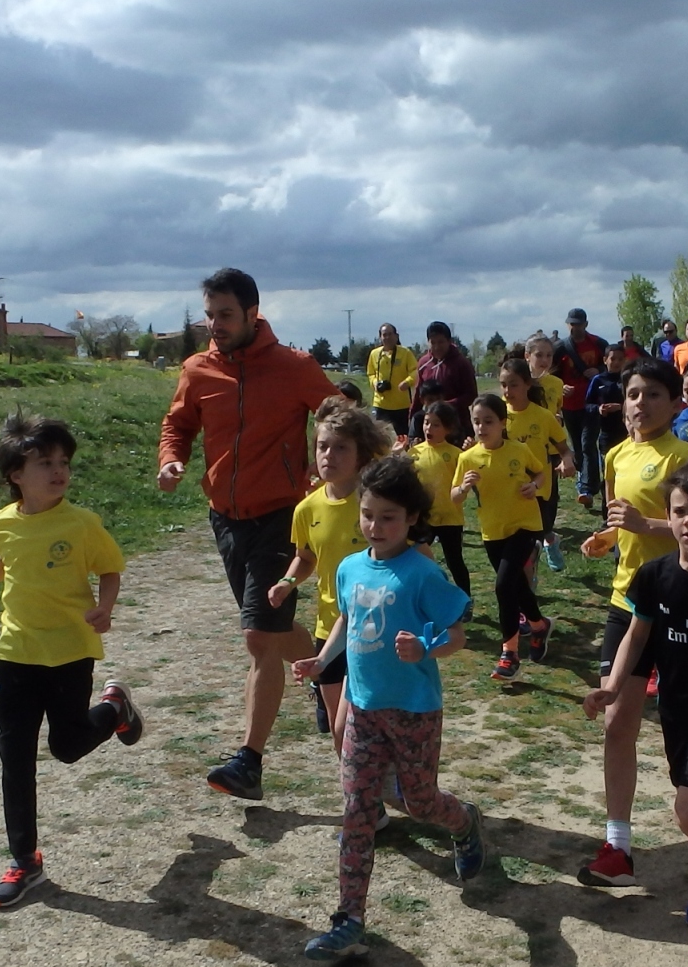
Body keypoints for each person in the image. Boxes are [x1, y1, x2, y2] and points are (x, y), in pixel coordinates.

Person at [0, 413, 144, 910]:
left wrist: (105, 607)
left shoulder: (81, 523)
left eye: (63, 462)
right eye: (45, 463)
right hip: (16, 653)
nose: (58, 472)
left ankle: (115, 709)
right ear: (15, 475)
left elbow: (110, 568)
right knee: (15, 756)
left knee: (67, 747)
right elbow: (7, 559)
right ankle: (24, 860)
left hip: (69, 652)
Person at [158, 267, 337, 802]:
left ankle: (249, 762)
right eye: (209, 315)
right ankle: (330, 678)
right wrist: (172, 460)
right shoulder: (197, 370)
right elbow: (178, 424)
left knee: (258, 637)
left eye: (225, 315)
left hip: (282, 517)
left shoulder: (294, 367)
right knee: (278, 634)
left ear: (253, 313)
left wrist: (324, 470)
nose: (215, 325)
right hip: (226, 519)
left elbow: (340, 418)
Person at [293, 455, 482, 960]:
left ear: (412, 519)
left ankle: (463, 822)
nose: (375, 526)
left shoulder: (422, 574)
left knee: (420, 803)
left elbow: (457, 633)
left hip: (414, 710)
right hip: (362, 708)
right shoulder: (351, 567)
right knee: (357, 810)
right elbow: (347, 620)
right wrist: (322, 660)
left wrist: (427, 649)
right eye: (368, 514)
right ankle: (348, 916)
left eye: (388, 517)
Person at [583, 462, 688, 967]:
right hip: (675, 709)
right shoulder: (654, 576)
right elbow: (637, 634)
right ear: (667, 515)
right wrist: (613, 687)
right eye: (680, 512)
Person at [580, 357, 688, 887]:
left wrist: (646, 522)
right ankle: (618, 846)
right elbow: (619, 522)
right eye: (633, 393)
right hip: (627, 602)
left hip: (679, 603)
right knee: (617, 723)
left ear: (676, 403)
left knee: (687, 732)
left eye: (654, 394)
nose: (640, 403)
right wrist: (607, 539)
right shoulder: (614, 455)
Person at [271, 400, 394, 749]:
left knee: (362, 724)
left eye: (341, 448)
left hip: (375, 626)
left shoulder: (373, 505)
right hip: (330, 629)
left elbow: (406, 552)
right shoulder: (306, 508)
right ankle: (363, 797)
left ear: (361, 454)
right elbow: (305, 557)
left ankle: (383, 787)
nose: (330, 455)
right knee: (341, 734)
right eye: (323, 446)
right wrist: (286, 582)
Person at [453, 394, 549, 680]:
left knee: (503, 585)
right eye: (477, 422)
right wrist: (464, 487)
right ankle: (539, 624)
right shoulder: (467, 458)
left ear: (502, 423)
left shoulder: (518, 451)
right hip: (492, 530)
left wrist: (533, 485)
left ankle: (509, 653)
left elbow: (541, 472)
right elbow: (454, 496)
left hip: (525, 525)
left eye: (488, 421)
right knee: (516, 586)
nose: (482, 427)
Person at [497, 356, 575, 574]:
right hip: (510, 488)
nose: (507, 390)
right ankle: (527, 583)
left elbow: (564, 448)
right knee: (521, 545)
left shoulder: (543, 417)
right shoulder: (497, 414)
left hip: (540, 487)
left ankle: (547, 542)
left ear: (527, 385)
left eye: (513, 385)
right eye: (503, 384)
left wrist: (566, 461)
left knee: (538, 534)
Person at [409, 400, 470, 593]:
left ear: (448, 428)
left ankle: (465, 599)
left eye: (436, 424)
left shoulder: (456, 454)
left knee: (455, 561)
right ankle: (420, 594)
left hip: (450, 517)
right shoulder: (414, 452)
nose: (429, 428)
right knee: (415, 557)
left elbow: (470, 473)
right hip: (424, 517)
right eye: (427, 422)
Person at [556, 308, 609, 504]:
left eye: (578, 324)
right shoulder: (560, 347)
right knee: (577, 445)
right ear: (567, 324)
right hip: (569, 405)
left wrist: (599, 369)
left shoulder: (598, 344)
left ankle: (588, 487)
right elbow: (550, 374)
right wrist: (560, 387)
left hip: (591, 404)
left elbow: (612, 367)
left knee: (588, 444)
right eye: (572, 324)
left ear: (586, 324)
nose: (575, 328)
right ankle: (585, 484)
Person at [410, 320, 478, 440]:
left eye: (441, 342)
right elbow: (418, 395)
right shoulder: (423, 363)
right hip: (430, 426)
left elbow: (471, 394)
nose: (437, 347)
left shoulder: (461, 363)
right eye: (433, 342)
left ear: (449, 341)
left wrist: (444, 406)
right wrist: (411, 420)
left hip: (456, 424)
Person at [582, 342, 628, 505]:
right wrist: (599, 408)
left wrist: (621, 407)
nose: (616, 362)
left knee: (627, 474)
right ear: (605, 360)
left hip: (627, 434)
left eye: (620, 359)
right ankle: (607, 514)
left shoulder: (628, 379)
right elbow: (587, 405)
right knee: (608, 475)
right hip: (606, 434)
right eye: (613, 358)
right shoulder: (598, 380)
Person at [366, 323, 418, 436]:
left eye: (390, 334)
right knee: (377, 436)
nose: (387, 337)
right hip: (380, 404)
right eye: (384, 335)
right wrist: (375, 383)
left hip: (401, 405)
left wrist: (407, 382)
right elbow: (370, 373)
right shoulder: (374, 354)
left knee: (402, 437)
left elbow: (415, 372)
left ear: (396, 336)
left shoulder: (405, 353)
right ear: (380, 337)